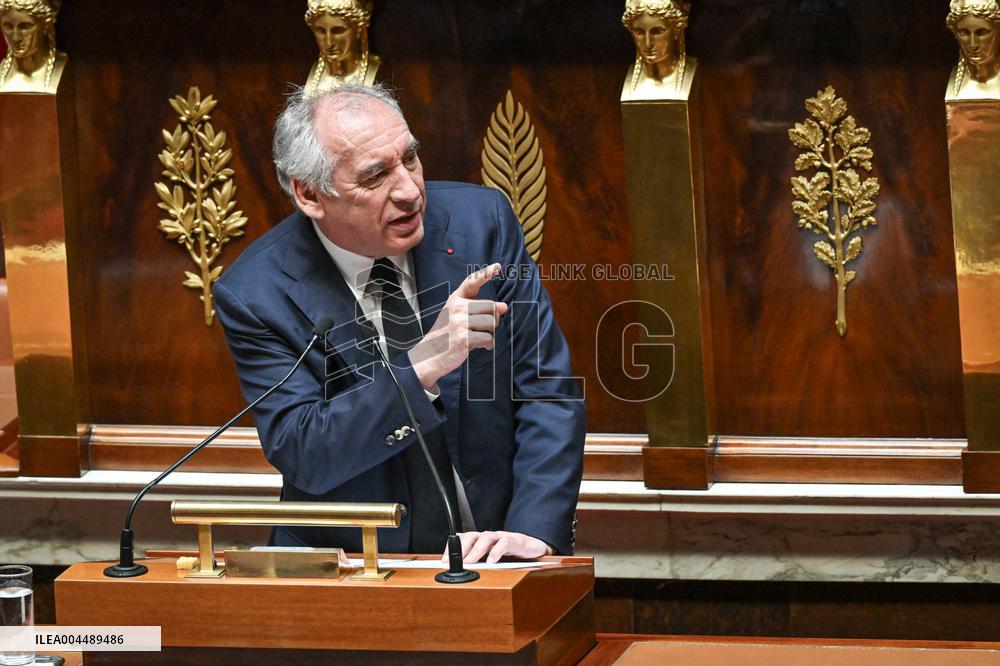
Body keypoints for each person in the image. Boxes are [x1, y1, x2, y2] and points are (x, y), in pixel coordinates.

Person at [214, 84, 585, 562]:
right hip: (353, 564)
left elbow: (546, 387)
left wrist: (534, 530)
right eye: (375, 176)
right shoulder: (257, 292)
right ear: (309, 194)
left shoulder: (482, 223)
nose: (410, 191)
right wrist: (421, 366)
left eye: (410, 158)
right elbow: (304, 450)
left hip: (497, 551)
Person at [621, 0, 694, 100]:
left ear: (677, 30)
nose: (648, 43)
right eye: (639, 32)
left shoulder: (696, 73)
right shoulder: (625, 80)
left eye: (657, 32)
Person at [304, 0, 380, 95]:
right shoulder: (311, 73)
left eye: (338, 31)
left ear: (359, 29)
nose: (329, 43)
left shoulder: (378, 71)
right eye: (320, 31)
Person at [0, 0, 66, 93]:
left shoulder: (64, 68)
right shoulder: (2, 73)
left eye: (25, 26)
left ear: (46, 25)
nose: (16, 37)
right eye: (8, 27)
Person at [947, 0, 1000, 99]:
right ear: (955, 33)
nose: (973, 44)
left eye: (982, 33)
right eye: (964, 33)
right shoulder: (955, 88)